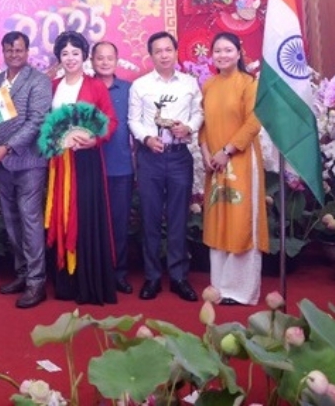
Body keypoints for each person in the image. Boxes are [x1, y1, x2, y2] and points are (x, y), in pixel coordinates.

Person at [128, 31, 203, 302]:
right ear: (151, 55)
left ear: (175, 51)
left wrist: (189, 127)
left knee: (178, 218)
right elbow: (133, 120)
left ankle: (179, 277)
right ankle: (152, 277)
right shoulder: (140, 85)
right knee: (149, 217)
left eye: (168, 49)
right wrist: (146, 139)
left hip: (179, 156)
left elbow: (198, 113)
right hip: (150, 158)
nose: (163, 55)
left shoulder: (190, 83)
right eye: (158, 51)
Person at [45, 31, 118, 306]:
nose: (70, 58)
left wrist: (93, 139)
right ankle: (65, 283)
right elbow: (45, 123)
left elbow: (111, 121)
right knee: (61, 216)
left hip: (86, 161)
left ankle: (88, 284)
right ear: (59, 57)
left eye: (75, 53)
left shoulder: (95, 86)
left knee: (84, 217)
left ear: (84, 56)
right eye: (65, 53)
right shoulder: (52, 86)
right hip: (58, 163)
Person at [198, 32, 268, 306]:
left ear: (239, 53)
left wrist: (227, 151)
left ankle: (241, 291)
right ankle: (219, 286)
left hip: (240, 160)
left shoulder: (248, 84)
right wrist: (206, 152)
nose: (222, 55)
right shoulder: (209, 85)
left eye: (228, 50)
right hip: (215, 164)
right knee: (219, 221)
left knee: (241, 221)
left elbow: (254, 122)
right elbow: (203, 123)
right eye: (217, 50)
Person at [0, 31, 53, 309]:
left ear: (27, 52)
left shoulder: (39, 80)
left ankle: (37, 282)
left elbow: (37, 121)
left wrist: (8, 147)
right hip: (3, 163)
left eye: (19, 50)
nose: (14, 54)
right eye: (9, 50)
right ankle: (22, 273)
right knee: (11, 220)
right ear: (3, 52)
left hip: (29, 162)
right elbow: (0, 121)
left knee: (30, 220)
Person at [91, 40, 137, 295]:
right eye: (100, 58)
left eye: (110, 58)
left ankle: (119, 273)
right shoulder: (85, 88)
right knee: (92, 224)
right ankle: (96, 273)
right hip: (90, 167)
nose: (105, 62)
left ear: (117, 61)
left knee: (119, 223)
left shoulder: (129, 90)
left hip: (121, 167)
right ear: (92, 61)